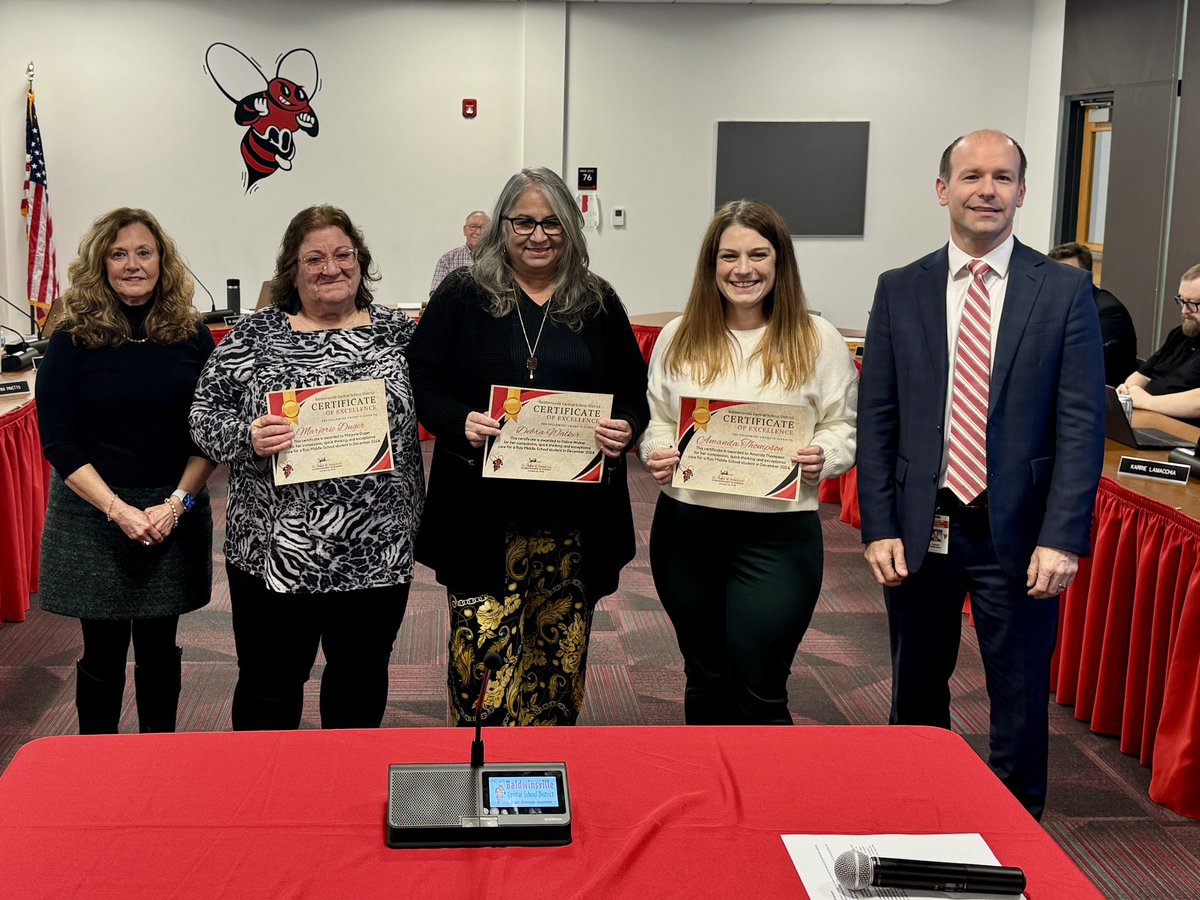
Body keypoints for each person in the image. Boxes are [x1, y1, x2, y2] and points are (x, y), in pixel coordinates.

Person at [857, 130, 1106, 819]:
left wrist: (1064, 538)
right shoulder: (900, 289)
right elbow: (877, 420)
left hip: (1019, 533)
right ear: (944, 190)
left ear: (1023, 193)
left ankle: (1014, 830)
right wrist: (877, 524)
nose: (987, 190)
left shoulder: (1063, 292)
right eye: (971, 176)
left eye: (1003, 178)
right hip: (922, 524)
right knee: (915, 687)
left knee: (1020, 695)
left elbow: (1082, 426)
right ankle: (916, 814)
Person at [408, 167, 649, 727]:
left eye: (551, 223)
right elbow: (420, 374)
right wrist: (457, 420)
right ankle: (479, 779)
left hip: (572, 523)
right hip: (480, 517)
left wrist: (626, 426)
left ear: (570, 228)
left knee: (555, 673)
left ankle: (543, 783)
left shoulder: (597, 301)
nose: (537, 236)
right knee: (483, 674)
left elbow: (633, 389)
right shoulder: (463, 295)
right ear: (502, 226)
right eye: (523, 222)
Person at [188, 205, 424, 731]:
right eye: (313, 258)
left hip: (376, 549)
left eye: (343, 255)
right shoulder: (254, 336)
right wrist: (245, 436)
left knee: (360, 683)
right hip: (274, 550)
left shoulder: (400, 335)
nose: (331, 268)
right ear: (292, 271)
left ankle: (345, 800)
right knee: (269, 686)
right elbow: (202, 418)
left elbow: (446, 402)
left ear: (361, 262)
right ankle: (264, 802)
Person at [639, 200, 857, 725]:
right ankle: (710, 800)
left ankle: (762, 803)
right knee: (705, 677)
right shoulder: (679, 335)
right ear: (710, 265)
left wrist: (823, 456)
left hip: (778, 536)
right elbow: (660, 420)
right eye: (728, 256)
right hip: (688, 530)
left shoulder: (817, 338)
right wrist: (656, 453)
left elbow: (842, 425)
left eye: (759, 255)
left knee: (760, 686)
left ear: (780, 262)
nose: (743, 269)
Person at [36, 207, 216, 734]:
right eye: (119, 254)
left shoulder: (191, 335)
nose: (133, 264)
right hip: (94, 512)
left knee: (161, 646)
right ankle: (97, 761)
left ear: (163, 260)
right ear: (101, 263)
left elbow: (208, 429)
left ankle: (159, 757)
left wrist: (175, 504)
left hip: (171, 508)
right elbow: (59, 441)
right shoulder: (72, 336)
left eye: (144, 252)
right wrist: (117, 510)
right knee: (103, 649)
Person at [1117, 263, 1200, 426]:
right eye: (1181, 301)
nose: (1184, 311)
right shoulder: (1179, 334)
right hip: (1150, 422)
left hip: (1185, 433)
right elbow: (1142, 375)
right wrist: (1127, 391)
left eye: (1193, 304)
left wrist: (1147, 402)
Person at [1048, 242, 1137, 386]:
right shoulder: (1053, 305)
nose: (1058, 278)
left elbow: (1085, 364)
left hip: (1099, 396)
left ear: (1086, 277)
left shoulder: (1108, 312)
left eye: (1067, 272)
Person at [429, 210, 490, 295]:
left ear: (491, 232)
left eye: (483, 227)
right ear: (465, 230)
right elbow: (435, 295)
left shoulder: (500, 259)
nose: (478, 232)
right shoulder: (447, 260)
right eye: (473, 226)